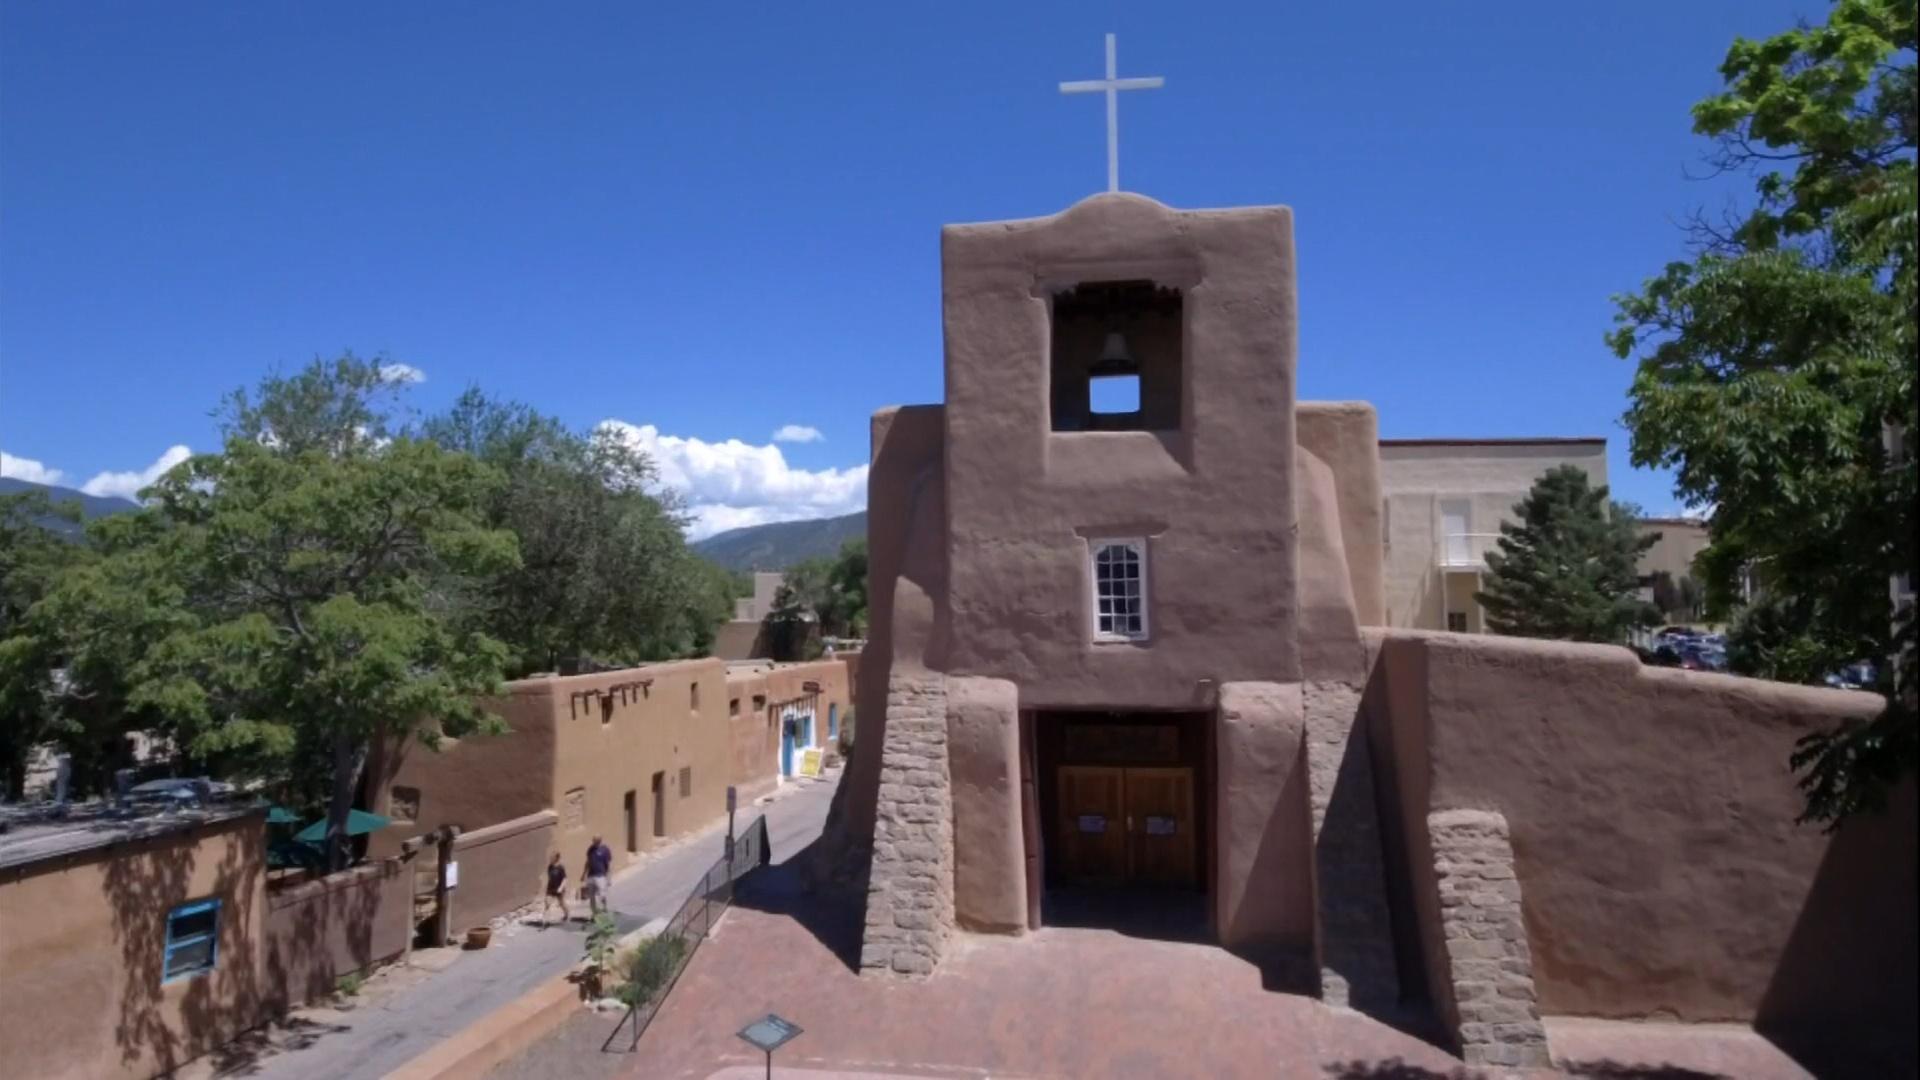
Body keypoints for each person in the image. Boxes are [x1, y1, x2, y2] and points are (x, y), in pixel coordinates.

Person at [583, 834, 613, 917]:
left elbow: (608, 864)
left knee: (602, 894)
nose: (593, 842)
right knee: (591, 896)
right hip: (591, 875)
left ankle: (604, 908)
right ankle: (594, 912)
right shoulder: (590, 849)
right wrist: (584, 874)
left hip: (600, 875)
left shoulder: (605, 850)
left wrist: (609, 877)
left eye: (594, 840)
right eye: (593, 840)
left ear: (599, 840)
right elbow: (588, 862)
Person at [540, 851, 570, 926]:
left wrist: (561, 887)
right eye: (550, 857)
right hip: (550, 888)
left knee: (562, 903)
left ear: (556, 858)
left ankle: (566, 914)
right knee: (547, 903)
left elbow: (565, 879)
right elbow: (550, 878)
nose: (550, 859)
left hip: (559, 889)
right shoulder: (550, 867)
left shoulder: (560, 867)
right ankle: (545, 921)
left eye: (552, 857)